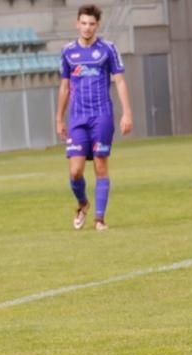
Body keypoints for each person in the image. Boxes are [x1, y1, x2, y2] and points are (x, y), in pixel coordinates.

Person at [56, 4, 133, 231]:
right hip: (78, 117)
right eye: (83, 23)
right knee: (75, 171)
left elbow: (119, 81)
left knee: (101, 166)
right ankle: (83, 203)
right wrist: (59, 119)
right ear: (77, 24)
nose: (87, 28)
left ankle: (99, 219)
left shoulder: (108, 49)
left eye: (91, 24)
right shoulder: (68, 51)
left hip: (102, 115)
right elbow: (64, 88)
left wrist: (127, 113)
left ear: (97, 25)